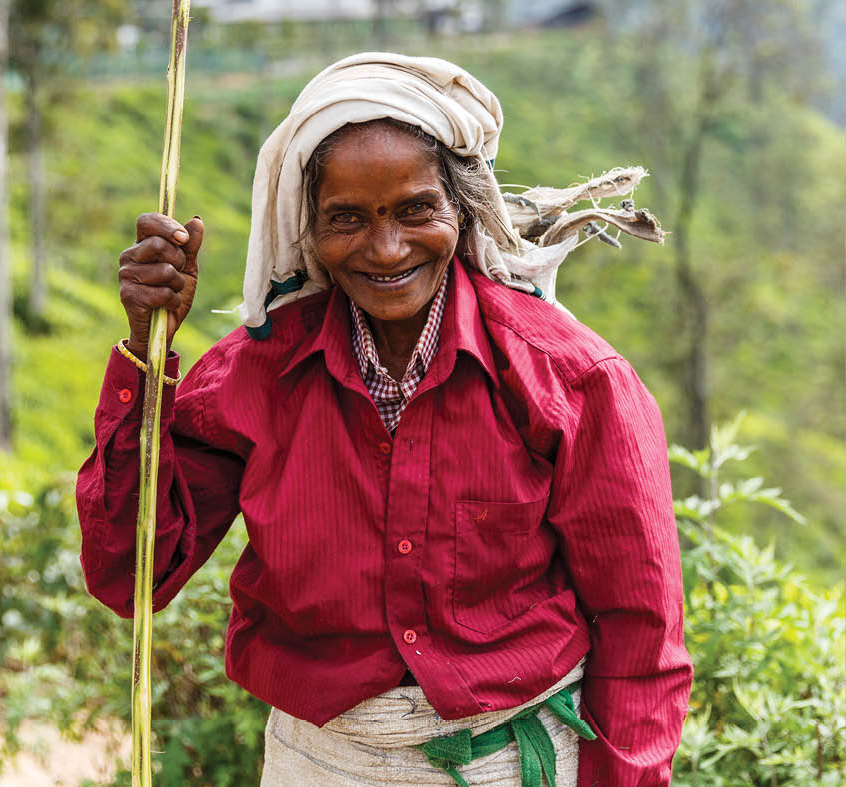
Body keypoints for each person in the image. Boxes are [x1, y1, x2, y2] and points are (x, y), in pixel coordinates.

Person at [77, 53, 692, 786]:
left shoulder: (572, 379)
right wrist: (149, 349)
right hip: (320, 762)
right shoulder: (254, 375)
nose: (387, 247)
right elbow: (129, 573)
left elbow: (640, 630)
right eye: (347, 218)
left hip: (508, 761)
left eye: (414, 209)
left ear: (459, 207)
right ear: (310, 228)